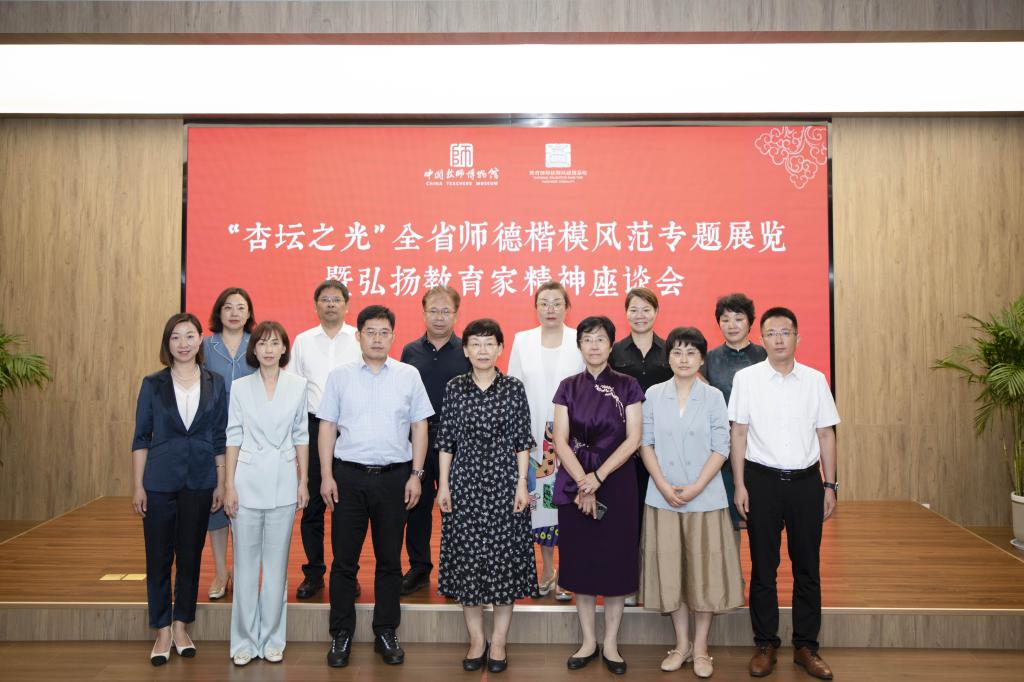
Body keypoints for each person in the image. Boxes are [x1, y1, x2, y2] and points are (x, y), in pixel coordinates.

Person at [319, 305, 434, 668]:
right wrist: (326, 475)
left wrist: (416, 474)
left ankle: (386, 630)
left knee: (389, 561)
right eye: (370, 332)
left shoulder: (408, 375)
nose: (378, 339)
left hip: (394, 479)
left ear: (393, 336)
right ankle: (341, 633)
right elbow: (327, 426)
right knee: (343, 562)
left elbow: (420, 426)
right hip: (348, 478)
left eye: (384, 332)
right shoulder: (339, 377)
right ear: (358, 336)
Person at [729, 307, 839, 680]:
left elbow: (825, 434)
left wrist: (829, 484)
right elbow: (739, 434)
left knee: (807, 566)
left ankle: (806, 646)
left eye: (785, 332)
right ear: (761, 339)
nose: (778, 339)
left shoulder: (815, 380)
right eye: (771, 333)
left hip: (807, 483)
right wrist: (740, 484)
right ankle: (765, 644)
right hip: (761, 481)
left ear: (797, 337)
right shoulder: (746, 379)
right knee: (764, 567)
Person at [639, 327, 744, 679]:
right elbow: (645, 442)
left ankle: (700, 648)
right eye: (677, 352)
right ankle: (681, 644)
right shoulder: (654, 394)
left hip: (705, 498)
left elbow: (721, 446)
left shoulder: (713, 396)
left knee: (704, 573)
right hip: (663, 496)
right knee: (672, 572)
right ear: (668, 357)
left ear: (701, 359)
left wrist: (698, 486)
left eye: (691, 353)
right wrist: (662, 484)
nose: (683, 359)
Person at [436, 318, 537, 674]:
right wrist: (444, 485)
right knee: (468, 562)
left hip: (505, 483)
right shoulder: (455, 388)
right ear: (465, 350)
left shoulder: (513, 388)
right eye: (475, 344)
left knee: (504, 560)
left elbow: (522, 440)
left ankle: (498, 641)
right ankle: (477, 640)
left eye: (489, 343)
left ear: (500, 348)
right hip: (464, 484)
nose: (482, 350)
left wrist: (522, 483)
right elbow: (446, 440)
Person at [130, 312, 227, 666]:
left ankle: (182, 625)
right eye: (175, 337)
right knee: (158, 558)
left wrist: (221, 481)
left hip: (200, 481)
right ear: (167, 343)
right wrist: (138, 485)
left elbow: (219, 436)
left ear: (201, 340)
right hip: (158, 481)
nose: (183, 344)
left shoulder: (216, 382)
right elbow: (141, 437)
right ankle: (162, 629)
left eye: (189, 336)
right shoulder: (153, 383)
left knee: (189, 556)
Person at [552, 316, 643, 675]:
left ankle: (612, 643)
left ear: (611, 345)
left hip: (617, 482)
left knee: (616, 562)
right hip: (576, 480)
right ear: (579, 345)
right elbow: (560, 439)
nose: (594, 345)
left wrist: (598, 477)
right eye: (587, 339)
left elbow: (634, 438)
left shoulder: (628, 385)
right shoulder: (567, 386)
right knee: (582, 561)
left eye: (601, 339)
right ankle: (589, 641)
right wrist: (582, 480)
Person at [222, 321, 310, 666]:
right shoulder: (240, 387)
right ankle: (243, 640)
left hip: (284, 482)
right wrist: (229, 485)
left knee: (276, 568)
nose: (269, 349)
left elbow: (301, 434)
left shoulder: (298, 385)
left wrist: (303, 481)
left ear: (285, 348)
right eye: (262, 343)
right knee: (245, 567)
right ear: (254, 349)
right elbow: (233, 436)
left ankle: (273, 639)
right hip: (246, 482)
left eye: (275, 343)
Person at [507, 281, 584, 601]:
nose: (550, 309)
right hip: (535, 441)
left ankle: (568, 573)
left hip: (573, 442)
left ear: (567, 307)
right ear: (535, 307)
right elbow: (513, 391)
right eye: (544, 303)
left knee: (569, 506)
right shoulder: (522, 340)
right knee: (540, 508)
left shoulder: (580, 339)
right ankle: (547, 570)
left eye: (556, 303)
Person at [288, 279, 360, 600]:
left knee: (348, 508)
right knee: (313, 505)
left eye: (336, 299)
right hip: (313, 426)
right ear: (316, 305)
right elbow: (294, 389)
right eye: (325, 299)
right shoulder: (303, 341)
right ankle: (314, 573)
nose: (331, 304)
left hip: (350, 429)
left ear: (346, 305)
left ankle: (347, 574)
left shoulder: (358, 338)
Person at [399, 285, 471, 595]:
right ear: (423, 312)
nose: (439, 317)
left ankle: (456, 571)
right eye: (433, 311)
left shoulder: (467, 350)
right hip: (419, 436)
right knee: (417, 504)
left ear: (456, 314)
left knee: (457, 505)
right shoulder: (410, 351)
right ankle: (419, 568)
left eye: (446, 311)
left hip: (458, 439)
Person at [609, 286, 674, 606]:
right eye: (633, 309)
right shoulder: (615, 352)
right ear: (626, 313)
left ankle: (660, 584)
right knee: (629, 517)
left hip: (665, 446)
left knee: (661, 516)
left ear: (656, 312)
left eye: (646, 309)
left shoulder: (670, 349)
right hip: (625, 449)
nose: (640, 315)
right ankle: (630, 583)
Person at [201, 286, 257, 600]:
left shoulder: (257, 344)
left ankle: (242, 568)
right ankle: (221, 571)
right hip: (214, 435)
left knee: (245, 504)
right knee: (217, 504)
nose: (234, 313)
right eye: (228, 307)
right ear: (218, 312)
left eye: (240, 307)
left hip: (252, 437)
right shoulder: (205, 346)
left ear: (249, 313)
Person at [701, 293, 767, 533]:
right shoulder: (709, 359)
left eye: (739, 319)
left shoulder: (765, 356)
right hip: (723, 448)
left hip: (760, 445)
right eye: (725, 319)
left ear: (750, 323)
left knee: (762, 517)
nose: (732, 325)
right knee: (727, 520)